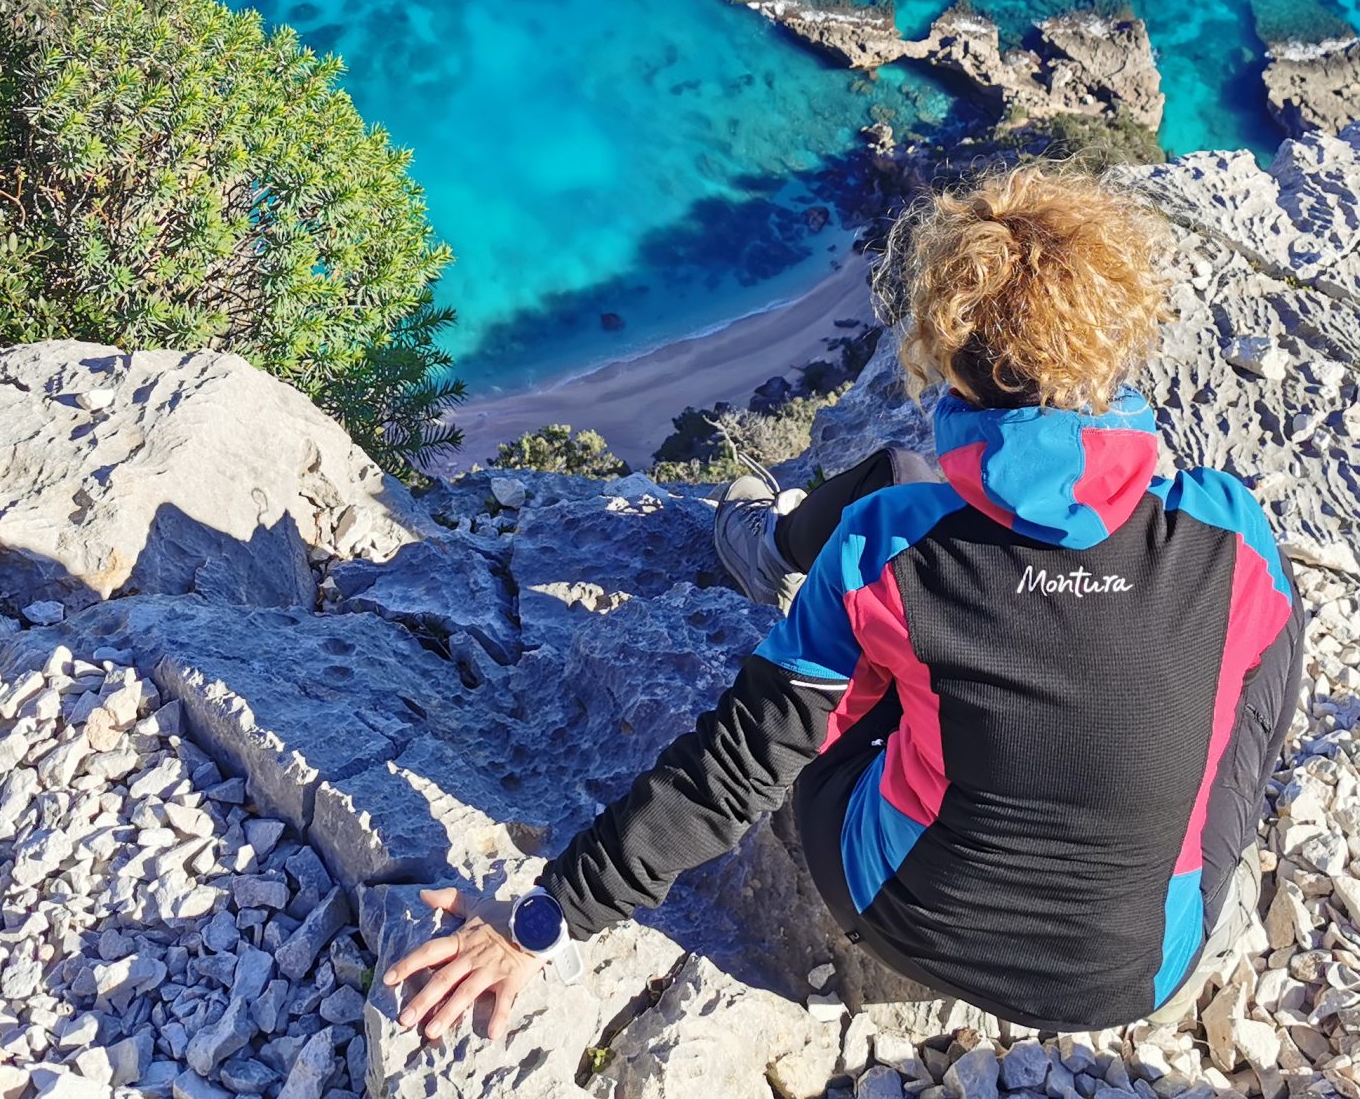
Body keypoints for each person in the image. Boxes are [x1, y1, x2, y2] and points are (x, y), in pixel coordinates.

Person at [384, 164, 1304, 1043]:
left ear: (952, 349)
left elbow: (740, 764)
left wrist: (540, 922)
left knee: (869, 609)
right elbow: (1249, 712)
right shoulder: (1234, 536)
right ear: (1110, 345)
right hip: (1137, 973)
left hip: (906, 918)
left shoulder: (889, 541)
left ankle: (759, 543)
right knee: (1241, 656)